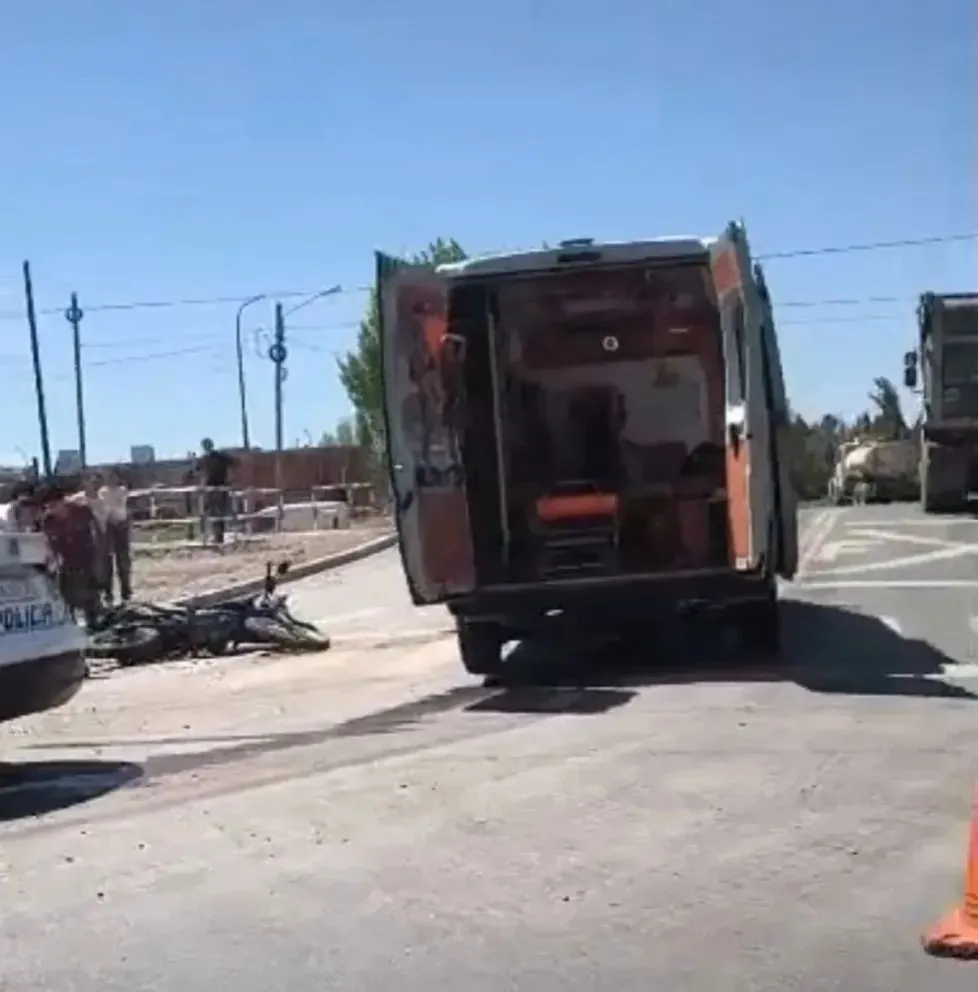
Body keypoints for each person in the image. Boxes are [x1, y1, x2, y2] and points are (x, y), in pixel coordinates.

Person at [38, 480, 102, 628]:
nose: (52, 510)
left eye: (54, 505)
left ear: (63, 501)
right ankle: (69, 623)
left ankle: (93, 621)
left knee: (90, 591)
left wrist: (99, 555)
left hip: (86, 556)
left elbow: (96, 532)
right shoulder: (48, 520)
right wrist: (53, 562)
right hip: (65, 560)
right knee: (65, 594)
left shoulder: (83, 511)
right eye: (48, 507)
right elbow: (49, 543)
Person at [98, 468, 133, 602]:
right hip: (108, 526)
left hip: (121, 525)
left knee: (123, 559)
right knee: (107, 559)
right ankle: (108, 591)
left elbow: (122, 505)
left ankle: (126, 589)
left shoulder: (122, 490)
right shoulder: (103, 491)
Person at [196, 438, 236, 545]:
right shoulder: (212, 457)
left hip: (216, 487)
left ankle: (218, 536)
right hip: (215, 487)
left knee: (216, 512)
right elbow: (198, 472)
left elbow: (198, 472)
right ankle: (217, 536)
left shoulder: (213, 457)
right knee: (215, 512)